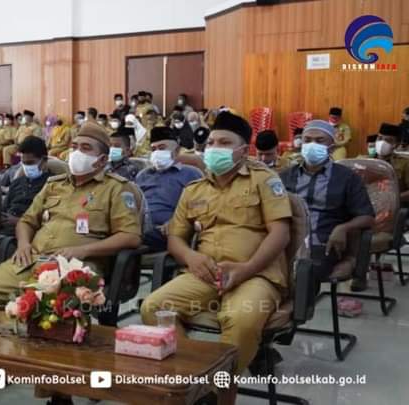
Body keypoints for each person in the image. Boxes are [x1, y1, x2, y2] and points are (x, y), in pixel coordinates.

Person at [0, 122, 142, 404]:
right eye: (74, 147)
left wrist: (84, 250)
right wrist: (23, 244)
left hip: (75, 269)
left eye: (85, 148)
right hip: (29, 260)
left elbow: (130, 236)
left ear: (102, 159)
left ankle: (58, 395)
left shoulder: (117, 190)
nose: (76, 153)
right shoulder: (54, 185)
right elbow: (26, 221)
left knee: (50, 316)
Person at [140, 111, 292, 380]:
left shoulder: (264, 180)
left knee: (240, 319)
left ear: (243, 151)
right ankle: (193, 375)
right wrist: (191, 258)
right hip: (205, 272)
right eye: (210, 143)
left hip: (256, 273)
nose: (214, 148)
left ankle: (217, 389)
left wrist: (246, 269)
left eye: (224, 143)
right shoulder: (194, 189)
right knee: (153, 307)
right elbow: (176, 238)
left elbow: (280, 234)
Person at [279, 119, 375, 292]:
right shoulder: (285, 176)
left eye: (319, 140)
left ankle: (300, 307)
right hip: (286, 241)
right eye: (307, 140)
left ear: (331, 147)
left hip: (324, 243)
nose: (312, 145)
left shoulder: (347, 178)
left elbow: (367, 216)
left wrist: (343, 228)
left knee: (303, 272)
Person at [136, 127, 202, 251]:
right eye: (153, 149)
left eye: (162, 148)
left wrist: (176, 223)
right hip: (138, 227)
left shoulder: (190, 173)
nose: (157, 153)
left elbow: (199, 208)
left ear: (177, 151)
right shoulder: (143, 175)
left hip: (170, 230)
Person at [0, 136, 51, 236]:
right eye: (24, 163)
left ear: (44, 160)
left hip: (30, 234)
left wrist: (19, 221)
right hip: (5, 232)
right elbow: (4, 209)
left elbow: (51, 221)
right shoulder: (17, 183)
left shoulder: (53, 184)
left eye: (30, 163)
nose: (27, 167)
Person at [374, 123, 409, 202]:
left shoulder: (405, 164)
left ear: (396, 145)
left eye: (388, 140)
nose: (382, 143)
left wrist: (394, 199)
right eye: (380, 138)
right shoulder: (366, 161)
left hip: (396, 205)